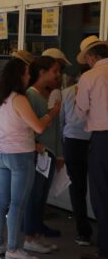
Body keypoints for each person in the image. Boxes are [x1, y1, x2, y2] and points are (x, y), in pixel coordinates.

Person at [0, 57, 60, 259]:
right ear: (19, 75)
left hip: (2, 153)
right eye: (27, 72)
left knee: (1, 203)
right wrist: (52, 114)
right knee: (17, 204)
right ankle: (13, 248)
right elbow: (38, 126)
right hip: (20, 154)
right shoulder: (19, 99)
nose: (29, 75)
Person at [23, 56, 64, 254]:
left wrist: (59, 154)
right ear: (42, 73)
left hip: (48, 153)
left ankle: (35, 235)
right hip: (40, 152)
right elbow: (30, 126)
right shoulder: (32, 95)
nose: (58, 76)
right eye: (54, 71)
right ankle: (30, 236)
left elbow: (53, 128)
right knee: (35, 196)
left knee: (40, 197)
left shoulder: (43, 95)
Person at [75, 35, 108, 259]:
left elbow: (80, 112)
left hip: (103, 139)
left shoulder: (90, 76)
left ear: (91, 57)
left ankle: (105, 249)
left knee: (101, 194)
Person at [60, 64, 92, 247]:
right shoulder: (100, 89)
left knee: (77, 188)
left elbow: (61, 120)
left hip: (72, 141)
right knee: (98, 186)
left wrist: (61, 143)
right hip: (93, 140)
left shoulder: (67, 92)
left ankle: (83, 232)